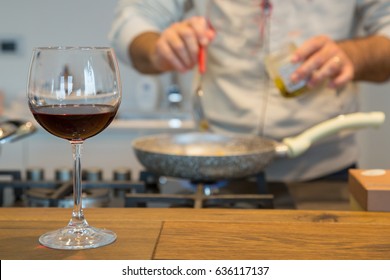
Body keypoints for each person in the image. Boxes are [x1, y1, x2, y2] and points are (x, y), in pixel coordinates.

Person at [109, 0, 390, 182]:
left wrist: (354, 54)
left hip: (325, 170)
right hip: (215, 165)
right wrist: (158, 49)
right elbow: (135, 19)